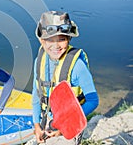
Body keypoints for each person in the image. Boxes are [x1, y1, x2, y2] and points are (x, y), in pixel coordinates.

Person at [32, 11, 99, 145]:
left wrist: (64, 126)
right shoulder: (40, 60)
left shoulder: (77, 66)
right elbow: (36, 92)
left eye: (62, 39)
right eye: (50, 39)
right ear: (41, 40)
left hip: (69, 126)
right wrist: (37, 124)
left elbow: (93, 100)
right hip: (48, 120)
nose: (56, 46)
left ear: (69, 39)